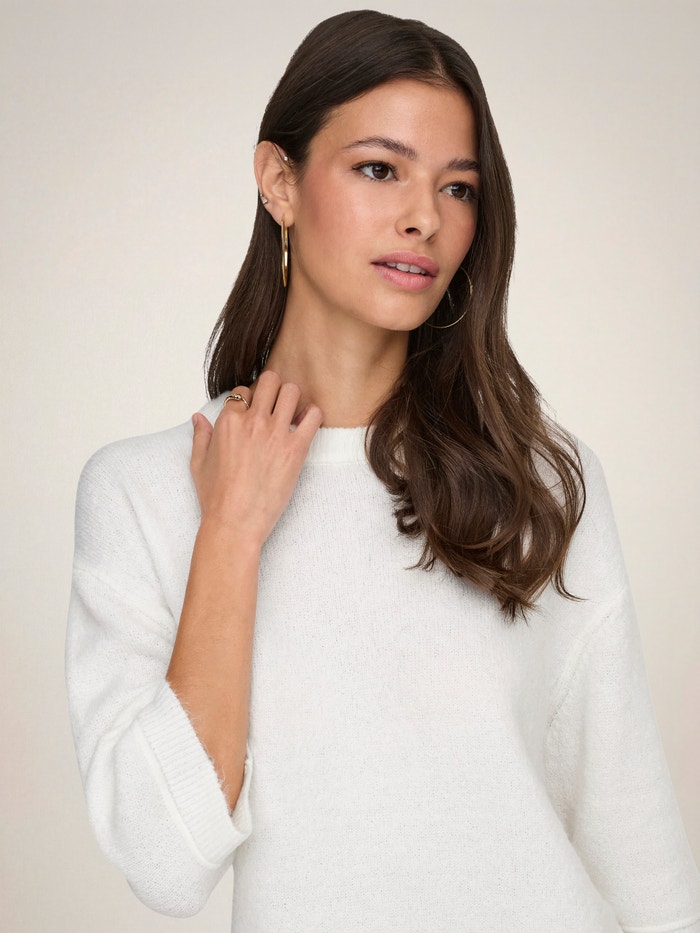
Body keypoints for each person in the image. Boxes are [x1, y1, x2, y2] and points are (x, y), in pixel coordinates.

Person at [65, 10, 700, 931]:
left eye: (458, 187)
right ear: (279, 180)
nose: (425, 218)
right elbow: (163, 861)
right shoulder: (141, 492)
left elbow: (631, 831)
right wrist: (232, 532)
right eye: (379, 169)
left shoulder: (539, 483)